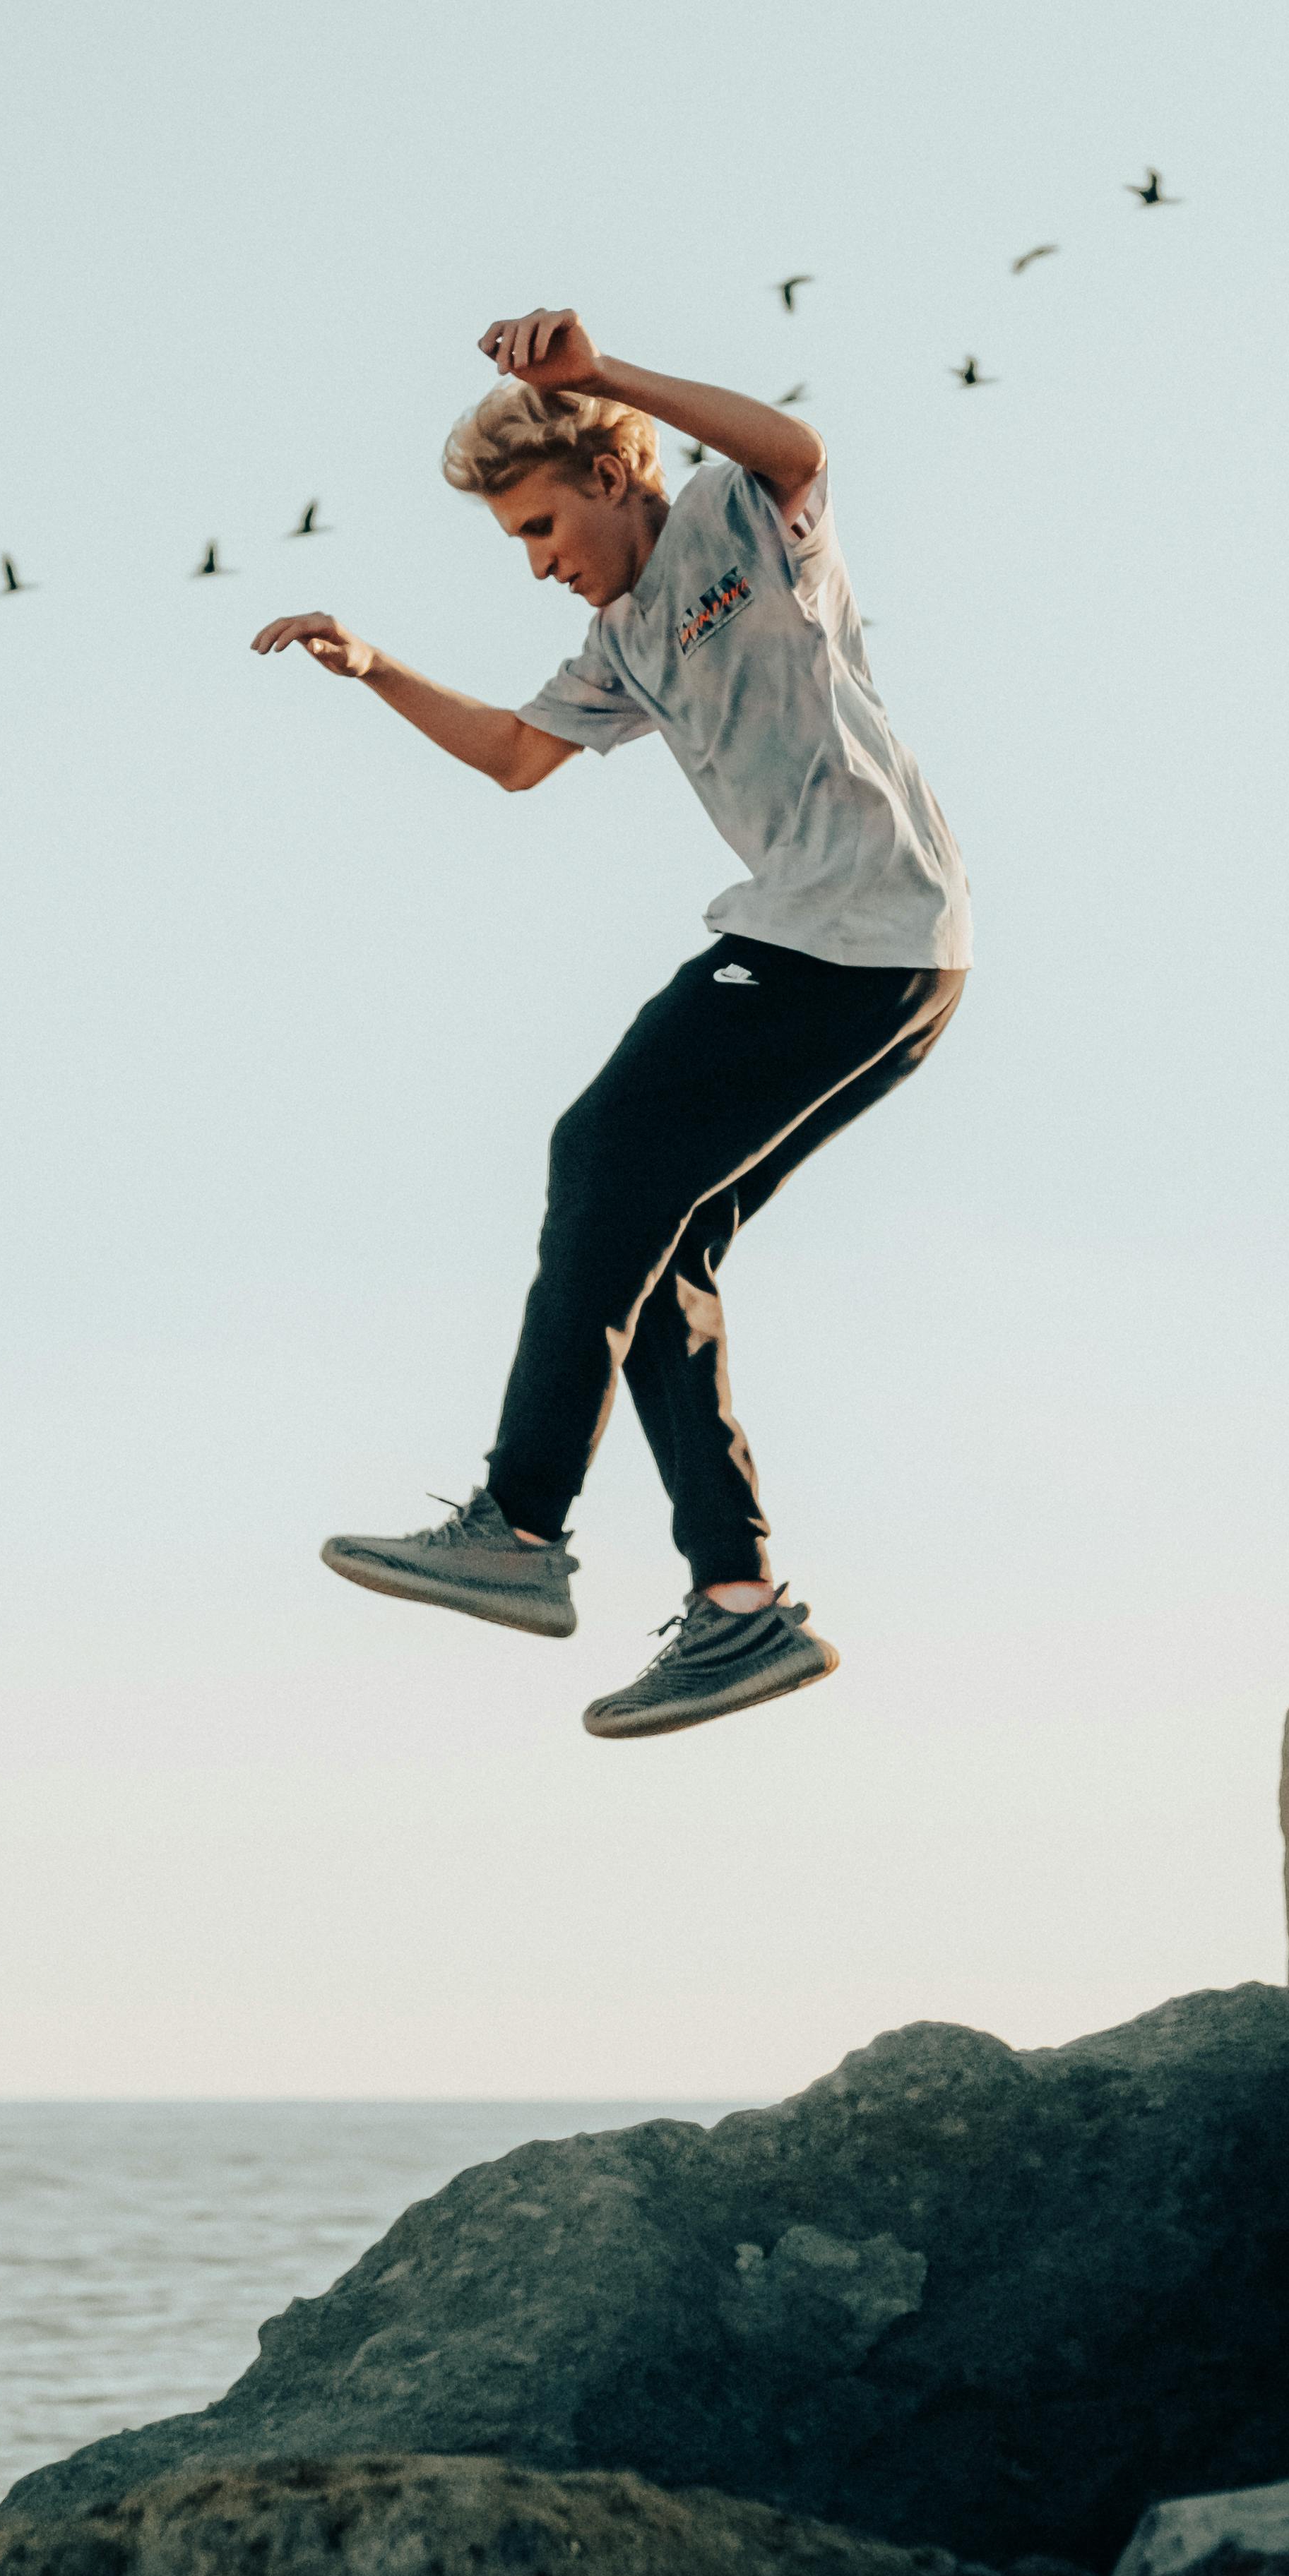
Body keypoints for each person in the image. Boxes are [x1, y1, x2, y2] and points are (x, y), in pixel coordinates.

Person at [251, 304, 970, 1739]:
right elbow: (518, 758)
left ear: (609, 472)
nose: (539, 561)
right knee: (650, 1241)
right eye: (516, 542)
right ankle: (738, 1609)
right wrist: (375, 665)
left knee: (598, 1150)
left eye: (539, 524)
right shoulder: (619, 640)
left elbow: (798, 446)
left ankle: (520, 1520)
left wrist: (602, 374)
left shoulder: (728, 517)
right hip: (857, 952)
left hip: (856, 928)